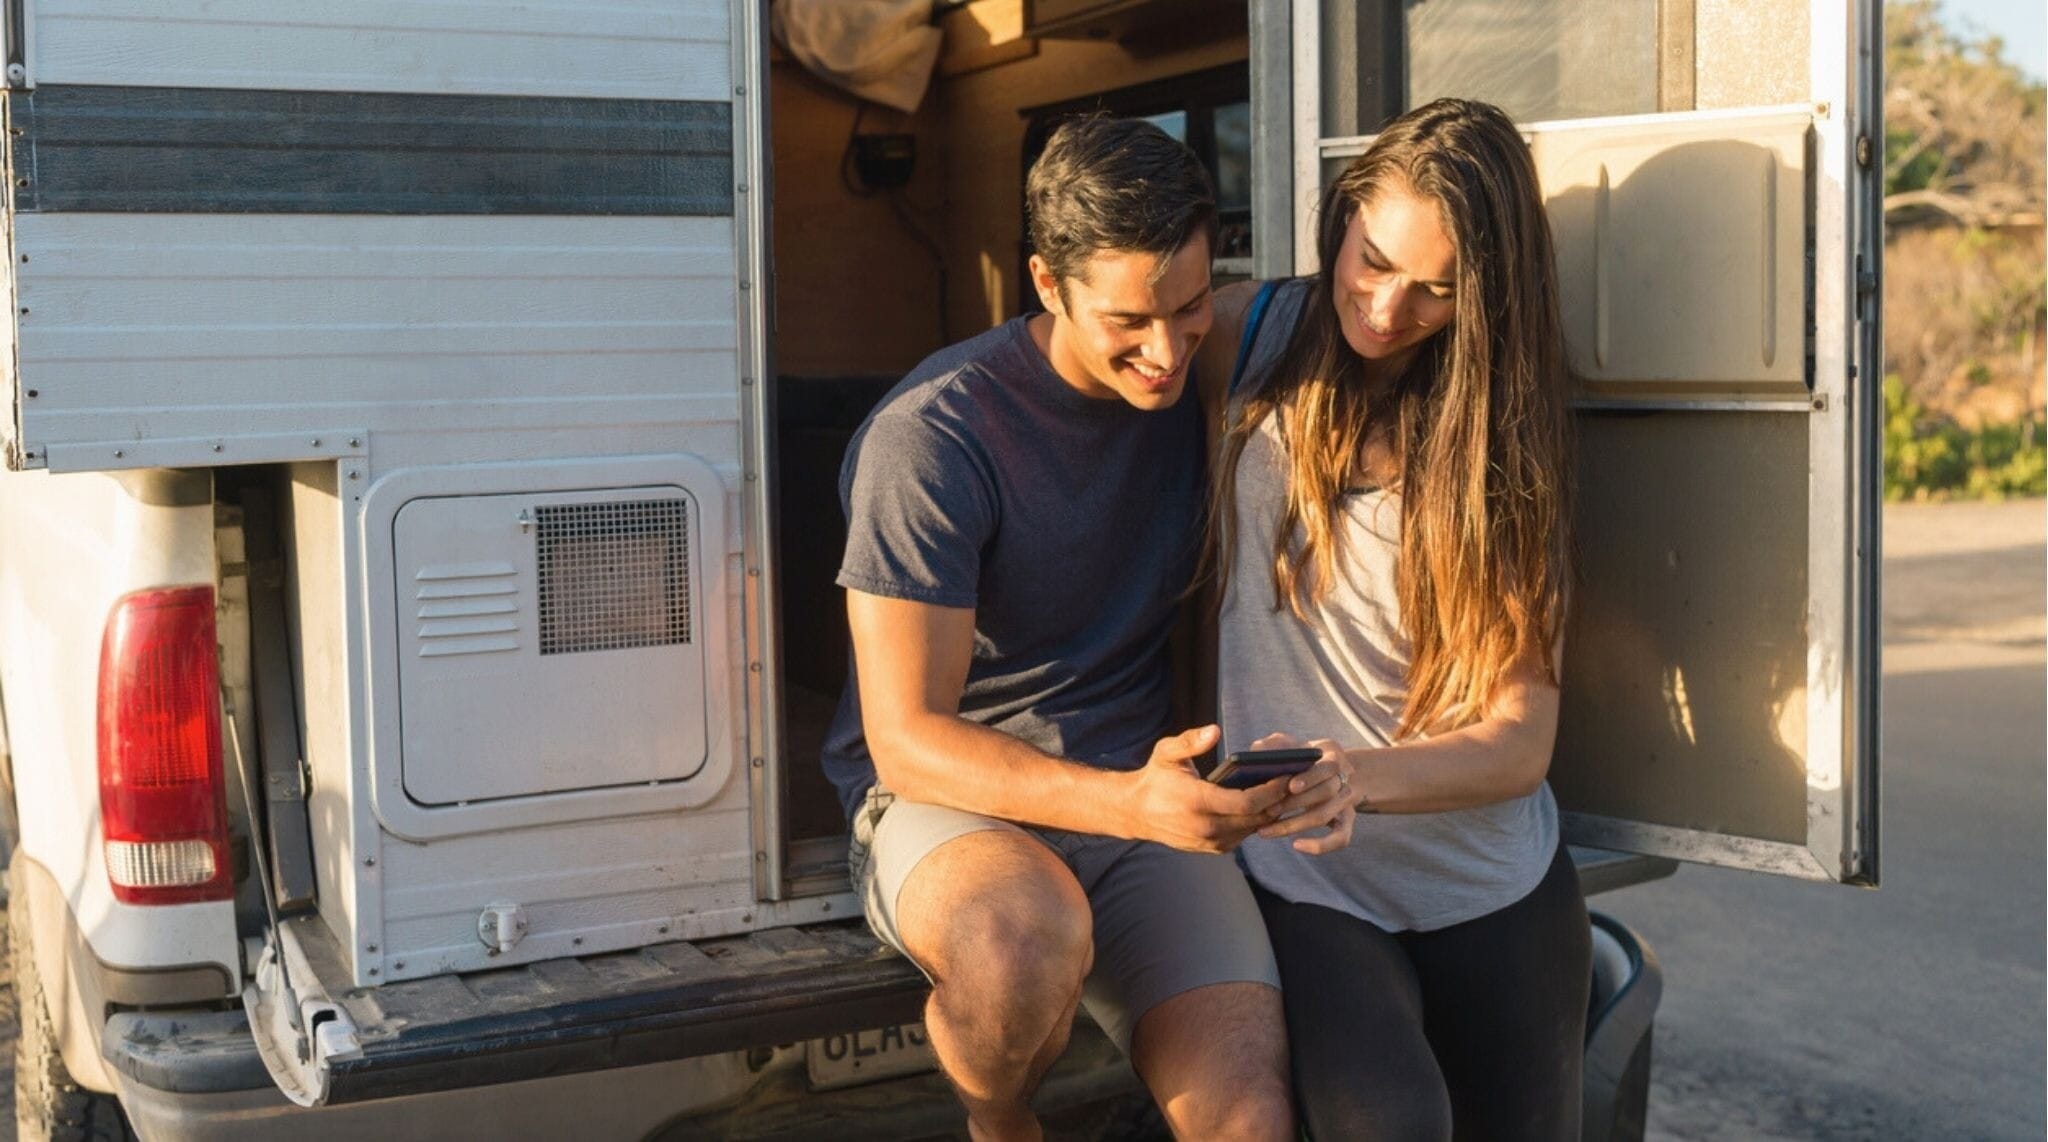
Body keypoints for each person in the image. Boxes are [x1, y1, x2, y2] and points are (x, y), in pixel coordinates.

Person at [820, 116, 1355, 1141]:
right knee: (1024, 942)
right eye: (1127, 321)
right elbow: (905, 739)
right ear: (1046, 283)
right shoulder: (931, 436)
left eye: (1188, 307)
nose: (1164, 351)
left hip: (1139, 794)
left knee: (1250, 1119)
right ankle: (1000, 1121)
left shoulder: (1211, 359)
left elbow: (1369, 306)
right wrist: (1129, 803)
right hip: (951, 802)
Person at [1191, 97, 1590, 1140]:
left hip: (1492, 886)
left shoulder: (1503, 442)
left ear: (1485, 296)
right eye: (1370, 259)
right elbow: (1085, 362)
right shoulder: (1247, 335)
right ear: (1344, 216)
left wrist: (1353, 775)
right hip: (1311, 880)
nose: (1382, 305)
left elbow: (1520, 740)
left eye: (1434, 289)